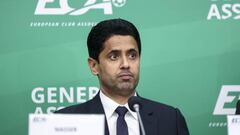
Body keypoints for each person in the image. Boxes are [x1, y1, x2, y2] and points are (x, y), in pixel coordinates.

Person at [55, 18, 190, 135]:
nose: (126, 64)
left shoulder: (171, 119)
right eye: (114, 56)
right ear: (94, 66)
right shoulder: (65, 121)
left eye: (132, 55)